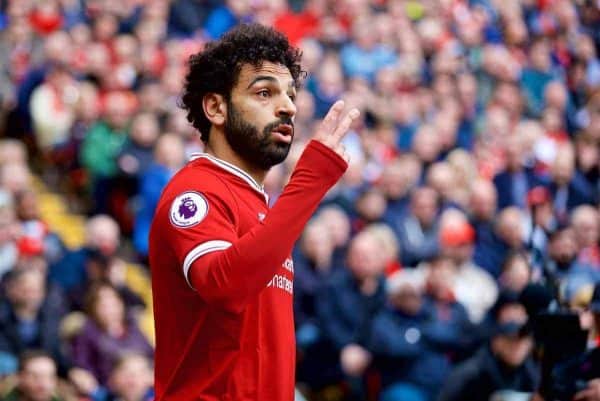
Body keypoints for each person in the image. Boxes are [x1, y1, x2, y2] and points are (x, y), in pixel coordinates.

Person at [148, 23, 360, 401]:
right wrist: (308, 181)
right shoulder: (195, 191)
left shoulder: (260, 206)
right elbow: (225, 287)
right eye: (265, 92)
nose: (288, 107)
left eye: (291, 95)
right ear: (216, 107)